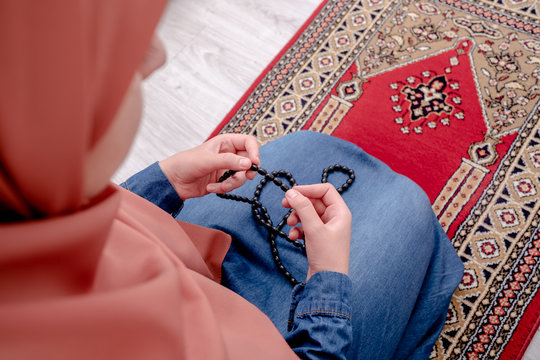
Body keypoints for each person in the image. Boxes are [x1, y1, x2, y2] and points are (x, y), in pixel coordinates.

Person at [0, 0, 463, 359]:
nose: (155, 56)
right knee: (405, 204)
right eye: (112, 55)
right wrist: (327, 279)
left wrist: (163, 185)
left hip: (199, 275)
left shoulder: (23, 220)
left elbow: (101, 242)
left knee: (308, 146)